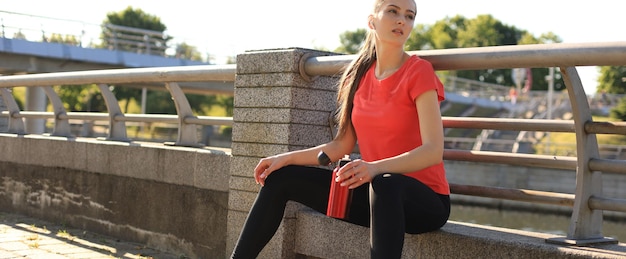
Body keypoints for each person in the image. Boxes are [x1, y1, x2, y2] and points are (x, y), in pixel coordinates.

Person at [230, 0, 450, 258]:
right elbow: (340, 146)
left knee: (385, 183)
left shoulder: (418, 71)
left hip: (424, 202)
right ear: (372, 21)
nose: (402, 20)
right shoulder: (356, 77)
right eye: (393, 11)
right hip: (374, 195)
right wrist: (284, 158)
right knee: (280, 179)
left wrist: (374, 167)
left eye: (409, 15)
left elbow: (433, 151)